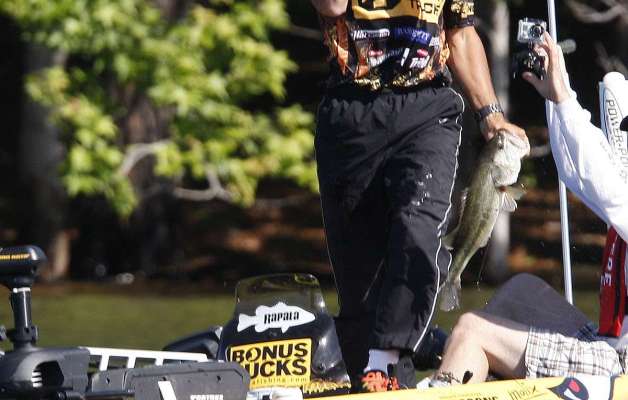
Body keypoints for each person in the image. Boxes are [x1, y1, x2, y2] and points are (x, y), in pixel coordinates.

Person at [309, 0, 527, 391]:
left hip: (427, 108)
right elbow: (332, 6)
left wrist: (490, 114)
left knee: (419, 229)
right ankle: (386, 380)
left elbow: (460, 32)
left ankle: (388, 355)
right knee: (361, 282)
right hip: (350, 112)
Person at [426, 32, 628, 386]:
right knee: (520, 291)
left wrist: (563, 98)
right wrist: (558, 96)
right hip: (612, 345)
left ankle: (454, 376)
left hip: (620, 368)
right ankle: (475, 372)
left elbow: (605, 187)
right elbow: (576, 173)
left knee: (471, 329)